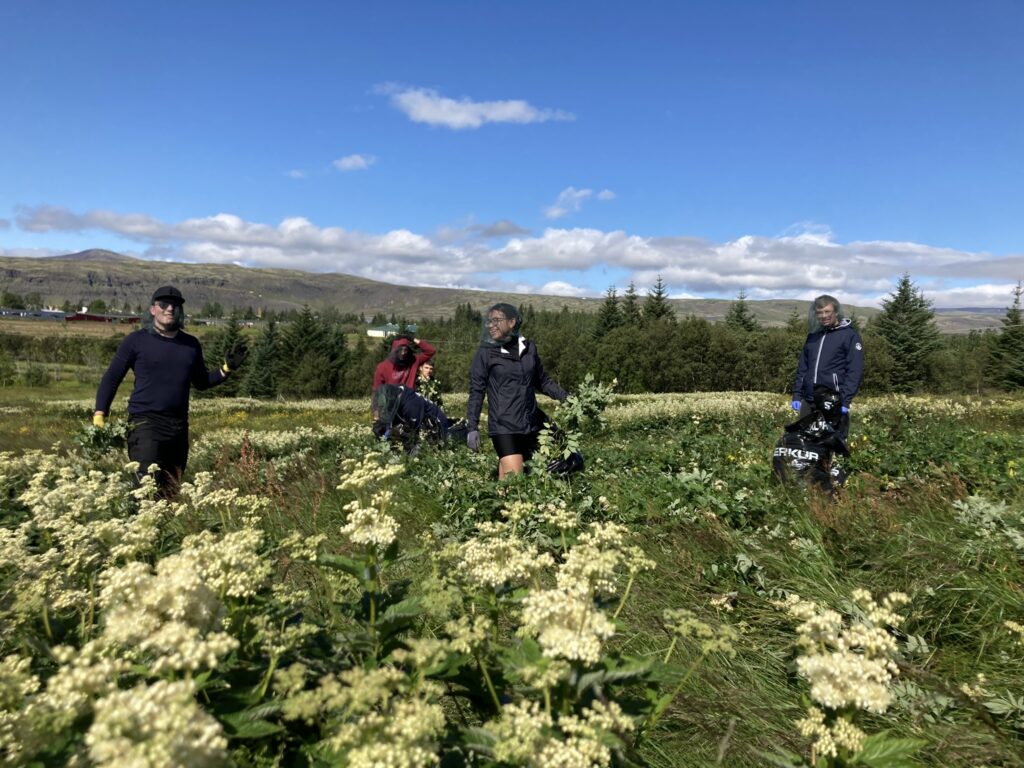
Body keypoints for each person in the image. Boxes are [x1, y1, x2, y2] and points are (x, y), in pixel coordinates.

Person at [93, 285, 246, 498]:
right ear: (153, 309)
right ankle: (138, 527)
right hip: (144, 424)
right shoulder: (135, 341)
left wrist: (226, 369)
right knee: (146, 490)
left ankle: (163, 529)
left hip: (178, 428)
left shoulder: (191, 345)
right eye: (163, 304)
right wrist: (100, 413)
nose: (169, 309)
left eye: (175, 305)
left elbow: (201, 382)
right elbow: (112, 378)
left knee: (170, 492)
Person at [466, 303, 568, 479]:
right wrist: (472, 427)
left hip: (532, 421)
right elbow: (477, 390)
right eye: (489, 321)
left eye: (496, 320)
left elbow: (543, 381)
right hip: (504, 426)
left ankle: (499, 503)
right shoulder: (486, 352)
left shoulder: (529, 348)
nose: (491, 325)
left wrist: (569, 399)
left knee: (566, 453)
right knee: (515, 481)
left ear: (512, 322)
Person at [791, 294, 864, 440]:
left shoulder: (849, 335)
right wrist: (797, 395)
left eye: (827, 312)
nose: (823, 316)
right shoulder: (813, 336)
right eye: (819, 313)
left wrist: (845, 400)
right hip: (809, 400)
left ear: (835, 312)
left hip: (833, 401)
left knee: (833, 445)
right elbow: (803, 368)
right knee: (807, 444)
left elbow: (855, 370)